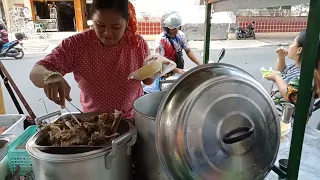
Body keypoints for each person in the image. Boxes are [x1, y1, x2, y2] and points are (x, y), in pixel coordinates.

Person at [29, 0, 154, 120]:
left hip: (132, 120)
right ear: (92, 20)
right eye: (100, 25)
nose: (107, 33)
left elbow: (148, 80)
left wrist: (158, 67)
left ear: (126, 23)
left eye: (116, 27)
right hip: (94, 123)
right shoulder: (76, 44)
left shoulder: (137, 43)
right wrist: (49, 77)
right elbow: (36, 71)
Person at [265, 30, 320, 122]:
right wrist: (281, 57)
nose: (289, 46)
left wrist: (276, 77)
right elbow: (280, 72)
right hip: (276, 114)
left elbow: (290, 95)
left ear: (299, 50)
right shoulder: (295, 66)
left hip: (287, 122)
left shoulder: (306, 76)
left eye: (292, 43)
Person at [154, 11, 201, 76]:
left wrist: (199, 64)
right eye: (172, 28)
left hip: (179, 67)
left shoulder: (181, 35)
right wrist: (176, 70)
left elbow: (188, 51)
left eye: (177, 27)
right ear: (166, 28)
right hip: (166, 71)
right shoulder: (160, 41)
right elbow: (159, 62)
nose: (175, 30)